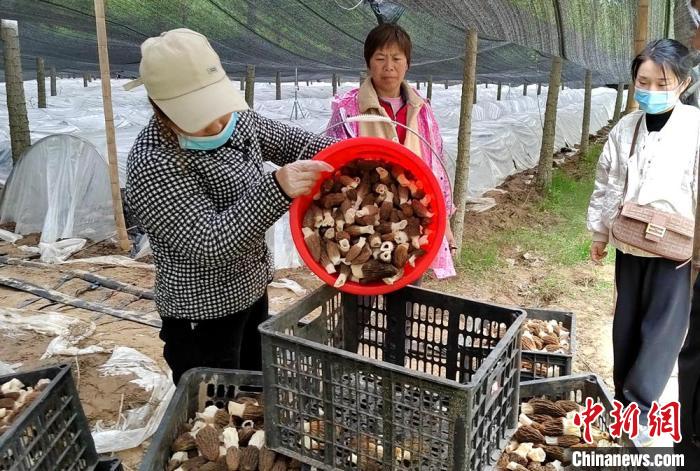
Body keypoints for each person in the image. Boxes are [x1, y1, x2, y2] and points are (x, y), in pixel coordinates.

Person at [125, 29, 334, 385]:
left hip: (251, 289)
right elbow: (209, 243)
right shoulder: (153, 162)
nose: (220, 123)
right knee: (214, 404)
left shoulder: (238, 121)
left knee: (254, 385)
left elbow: (297, 142)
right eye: (203, 116)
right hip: (203, 312)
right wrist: (277, 187)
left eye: (220, 108)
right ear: (162, 110)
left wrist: (354, 157)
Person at [587, 39, 700, 446]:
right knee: (627, 326)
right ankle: (623, 402)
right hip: (632, 242)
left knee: (662, 331)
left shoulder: (695, 128)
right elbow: (608, 182)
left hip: (677, 249)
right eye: (643, 81)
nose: (650, 91)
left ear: (683, 82)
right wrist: (601, 232)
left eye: (661, 83)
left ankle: (639, 407)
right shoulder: (626, 127)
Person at [326, 23, 456, 280]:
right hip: (359, 220)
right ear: (368, 63)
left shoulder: (421, 108)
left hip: (409, 217)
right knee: (360, 288)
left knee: (406, 287)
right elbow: (332, 162)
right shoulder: (348, 110)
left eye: (397, 58)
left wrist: (445, 222)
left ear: (407, 63)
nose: (389, 66)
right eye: (380, 58)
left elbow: (435, 165)